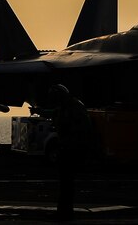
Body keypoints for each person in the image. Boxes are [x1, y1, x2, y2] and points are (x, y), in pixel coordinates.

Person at [51, 84, 91, 220]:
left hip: (71, 149)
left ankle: (65, 213)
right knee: (65, 184)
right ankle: (64, 212)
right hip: (66, 148)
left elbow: (83, 127)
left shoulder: (74, 107)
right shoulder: (66, 106)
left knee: (66, 184)